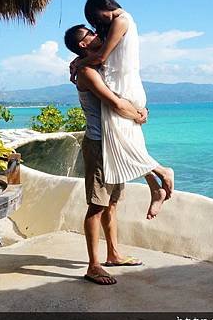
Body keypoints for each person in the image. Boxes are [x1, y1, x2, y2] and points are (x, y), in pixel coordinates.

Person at [64, 25, 166, 285]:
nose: (98, 36)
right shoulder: (86, 72)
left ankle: (113, 254)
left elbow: (118, 57)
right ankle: (93, 266)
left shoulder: (92, 65)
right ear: (84, 44)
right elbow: (115, 103)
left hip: (112, 144)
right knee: (97, 205)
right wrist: (139, 116)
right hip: (98, 145)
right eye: (92, 34)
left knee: (112, 203)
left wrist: (139, 110)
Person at [71, 0, 175, 217]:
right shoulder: (118, 22)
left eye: (95, 18)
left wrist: (79, 63)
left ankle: (161, 171)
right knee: (126, 142)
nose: (97, 25)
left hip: (123, 87)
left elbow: (100, 58)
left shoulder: (121, 20)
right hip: (122, 85)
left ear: (102, 7)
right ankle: (155, 187)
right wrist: (79, 62)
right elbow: (99, 57)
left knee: (122, 141)